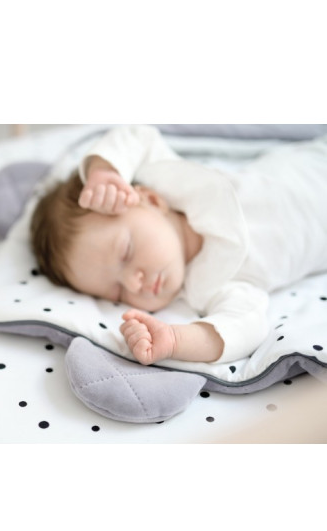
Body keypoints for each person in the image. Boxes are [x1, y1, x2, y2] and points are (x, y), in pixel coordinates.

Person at [31, 126, 327, 366]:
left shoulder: (175, 183)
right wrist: (175, 340)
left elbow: (136, 136)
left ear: (150, 200)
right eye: (117, 293)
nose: (133, 284)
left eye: (126, 253)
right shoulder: (207, 287)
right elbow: (246, 326)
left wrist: (105, 173)